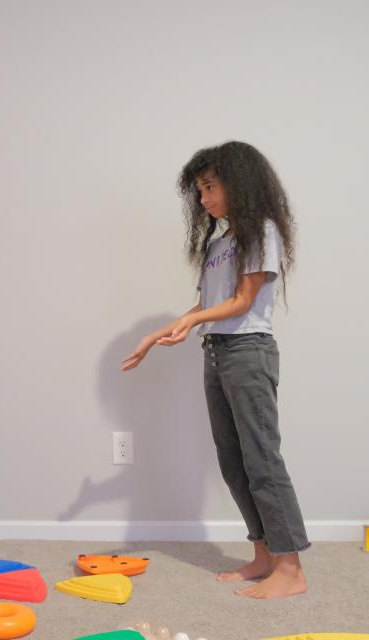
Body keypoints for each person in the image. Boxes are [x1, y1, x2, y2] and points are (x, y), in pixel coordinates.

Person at [122, 141, 308, 599]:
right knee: (233, 461)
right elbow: (208, 305)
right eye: (199, 190)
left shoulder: (260, 231)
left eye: (209, 187)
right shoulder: (220, 243)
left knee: (262, 458)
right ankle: (263, 553)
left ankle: (290, 568)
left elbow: (243, 302)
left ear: (238, 183)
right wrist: (165, 331)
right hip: (217, 352)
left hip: (248, 351)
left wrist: (192, 320)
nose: (203, 199)